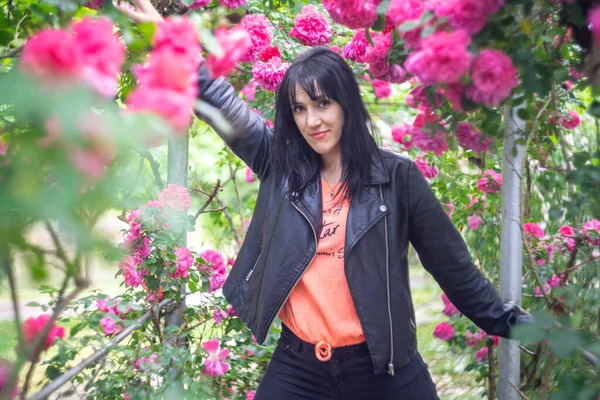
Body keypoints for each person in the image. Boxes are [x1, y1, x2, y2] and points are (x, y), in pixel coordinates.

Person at [121, 2, 528, 399]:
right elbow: (221, 103)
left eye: (322, 103)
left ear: (346, 103)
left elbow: (453, 269)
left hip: (383, 368)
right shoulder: (279, 166)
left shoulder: (397, 178)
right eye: (299, 109)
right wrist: (165, 35)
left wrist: (522, 326)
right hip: (298, 367)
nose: (312, 121)